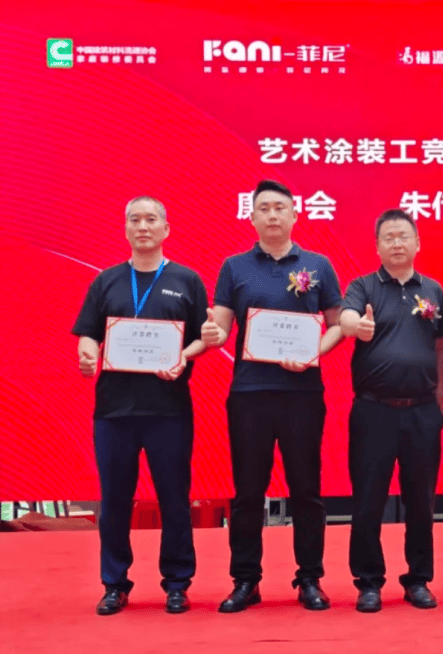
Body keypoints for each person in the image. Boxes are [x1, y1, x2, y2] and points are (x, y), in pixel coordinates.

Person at [201, 179, 343, 612]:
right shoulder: (234, 266)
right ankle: (246, 580)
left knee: (306, 489)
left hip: (302, 393)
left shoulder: (318, 264)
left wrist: (313, 352)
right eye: (264, 208)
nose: (273, 215)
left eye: (280, 207)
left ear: (295, 215)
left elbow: (338, 324)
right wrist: (213, 334)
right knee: (248, 491)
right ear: (252, 217)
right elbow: (221, 326)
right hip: (250, 393)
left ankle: (310, 578)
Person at [72, 196, 208, 615]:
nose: (143, 226)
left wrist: (184, 356)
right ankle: (115, 584)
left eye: (151, 219)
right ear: (126, 229)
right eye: (135, 219)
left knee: (174, 499)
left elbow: (203, 337)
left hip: (169, 409)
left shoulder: (187, 280)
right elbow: (88, 333)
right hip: (114, 411)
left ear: (166, 229)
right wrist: (87, 355)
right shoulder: (106, 281)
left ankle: (177, 583)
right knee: (114, 500)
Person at [340, 209, 443, 613]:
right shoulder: (362, 287)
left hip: (422, 410)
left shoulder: (433, 290)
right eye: (389, 237)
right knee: (368, 500)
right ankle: (368, 582)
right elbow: (347, 317)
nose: (397, 243)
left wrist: (440, 397)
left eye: (404, 236)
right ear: (377, 246)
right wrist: (356, 325)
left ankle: (418, 579)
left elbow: (442, 346)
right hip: (374, 411)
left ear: (418, 243)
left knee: (421, 500)